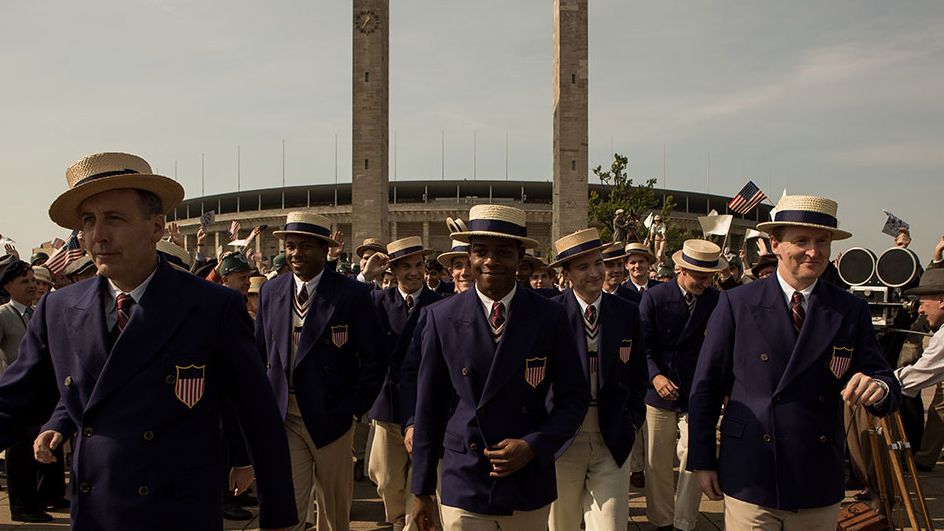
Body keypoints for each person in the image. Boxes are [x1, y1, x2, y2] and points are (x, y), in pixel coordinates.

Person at [2, 152, 296, 531]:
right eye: (88, 221)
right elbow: (14, 402)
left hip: (177, 510)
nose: (98, 235)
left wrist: (277, 516)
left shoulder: (211, 306)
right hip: (97, 509)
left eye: (115, 218)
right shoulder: (58, 308)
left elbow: (257, 415)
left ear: (156, 226)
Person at [687, 195, 901, 530]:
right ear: (775, 244)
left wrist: (879, 388)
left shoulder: (849, 309)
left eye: (822, 242)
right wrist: (702, 460)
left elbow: (883, 377)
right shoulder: (736, 303)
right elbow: (706, 388)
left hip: (816, 474)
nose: (813, 252)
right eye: (801, 241)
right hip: (751, 473)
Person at [411, 204, 589, 531]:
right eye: (481, 251)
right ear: (469, 257)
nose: (491, 260)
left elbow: (574, 397)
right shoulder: (441, 317)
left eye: (503, 252)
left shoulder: (549, 316)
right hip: (465, 475)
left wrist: (535, 445)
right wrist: (421, 489)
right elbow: (429, 407)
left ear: (520, 258)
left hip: (527, 479)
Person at [255, 211, 387, 531]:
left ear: (325, 248)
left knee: (333, 510)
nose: (297, 253)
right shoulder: (272, 291)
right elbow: (260, 353)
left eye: (306, 246)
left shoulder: (352, 293)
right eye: (291, 245)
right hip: (287, 412)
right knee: (289, 506)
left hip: (332, 415)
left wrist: (353, 408)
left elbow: (374, 358)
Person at [547, 229, 647, 531]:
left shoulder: (626, 312)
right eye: (583, 267)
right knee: (561, 523)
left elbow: (638, 373)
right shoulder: (551, 313)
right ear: (566, 274)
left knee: (611, 524)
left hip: (613, 434)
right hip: (564, 438)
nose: (595, 273)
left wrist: (632, 419)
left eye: (598, 263)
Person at [639, 239, 724, 531]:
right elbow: (643, 345)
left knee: (695, 454)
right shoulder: (654, 297)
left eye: (709, 276)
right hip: (658, 390)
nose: (704, 282)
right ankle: (661, 520)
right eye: (698, 275)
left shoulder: (717, 300)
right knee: (656, 461)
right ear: (681, 269)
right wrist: (656, 376)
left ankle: (684, 521)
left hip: (697, 392)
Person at [368, 236, 442, 531]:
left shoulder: (439, 305)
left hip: (424, 402)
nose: (414, 272)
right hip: (387, 403)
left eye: (419, 265)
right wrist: (368, 275)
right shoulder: (378, 301)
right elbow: (345, 303)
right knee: (385, 478)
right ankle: (396, 517)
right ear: (393, 270)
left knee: (419, 477)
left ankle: (409, 525)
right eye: (405, 266)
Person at [0, 260, 51, 523]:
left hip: (39, 395)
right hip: (14, 396)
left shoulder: (37, 314)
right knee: (18, 454)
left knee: (34, 454)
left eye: (33, 280)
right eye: (25, 281)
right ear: (8, 286)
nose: (32, 286)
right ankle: (21, 506)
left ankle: (34, 503)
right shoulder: (3, 315)